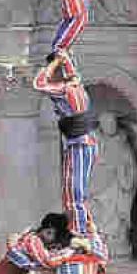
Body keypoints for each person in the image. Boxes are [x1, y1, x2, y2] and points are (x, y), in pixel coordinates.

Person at [34, 53, 99, 236]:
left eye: (53, 71)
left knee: (73, 193)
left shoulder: (67, 89)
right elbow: (72, 74)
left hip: (80, 144)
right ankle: (85, 227)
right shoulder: (74, 85)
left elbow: (39, 83)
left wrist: (54, 63)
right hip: (81, 143)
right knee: (74, 192)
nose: (50, 74)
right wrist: (64, 61)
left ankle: (79, 233)